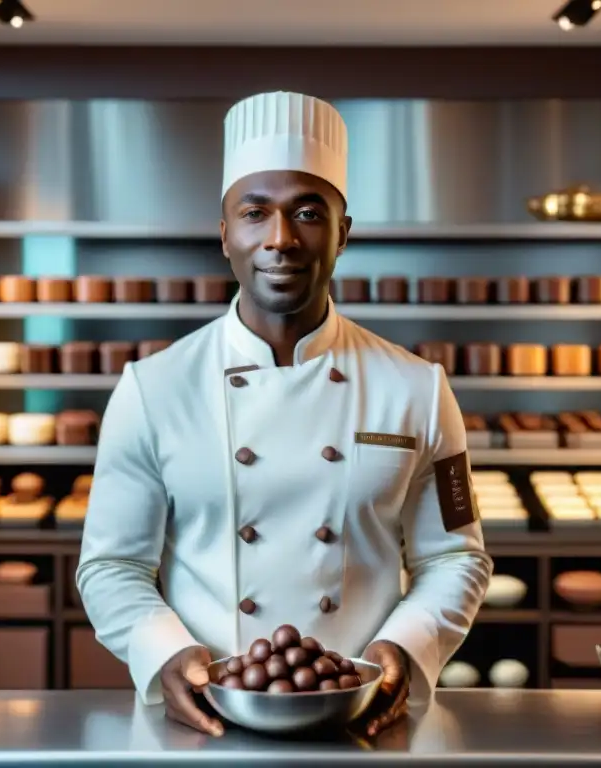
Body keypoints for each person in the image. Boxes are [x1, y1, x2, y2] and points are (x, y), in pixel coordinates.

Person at [77, 91, 493, 738]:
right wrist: (162, 654)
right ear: (224, 234)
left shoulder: (418, 389)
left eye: (307, 212)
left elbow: (457, 557)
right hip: (205, 718)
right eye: (254, 213)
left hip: (366, 721)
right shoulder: (151, 390)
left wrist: (408, 648)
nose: (280, 239)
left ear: (343, 233)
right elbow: (111, 566)